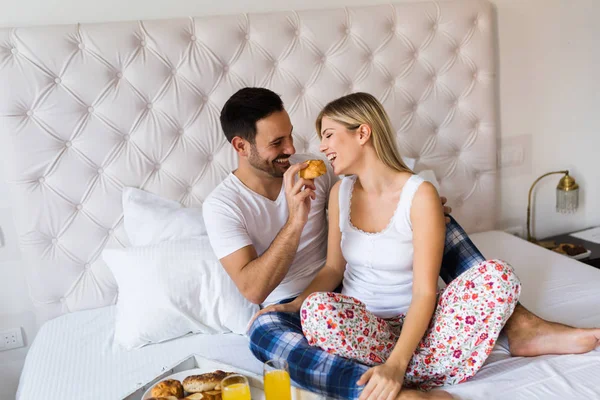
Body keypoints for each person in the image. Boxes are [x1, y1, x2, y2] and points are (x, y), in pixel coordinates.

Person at [203, 87, 600, 400]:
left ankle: (521, 324)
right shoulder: (224, 205)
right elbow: (257, 288)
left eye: (294, 137)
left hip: (373, 302)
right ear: (241, 146)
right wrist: (296, 228)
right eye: (277, 144)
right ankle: (389, 389)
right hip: (307, 307)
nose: (294, 150)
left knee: (451, 231)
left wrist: (422, 211)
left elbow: (389, 223)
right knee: (268, 330)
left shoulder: (323, 171)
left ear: (362, 132)